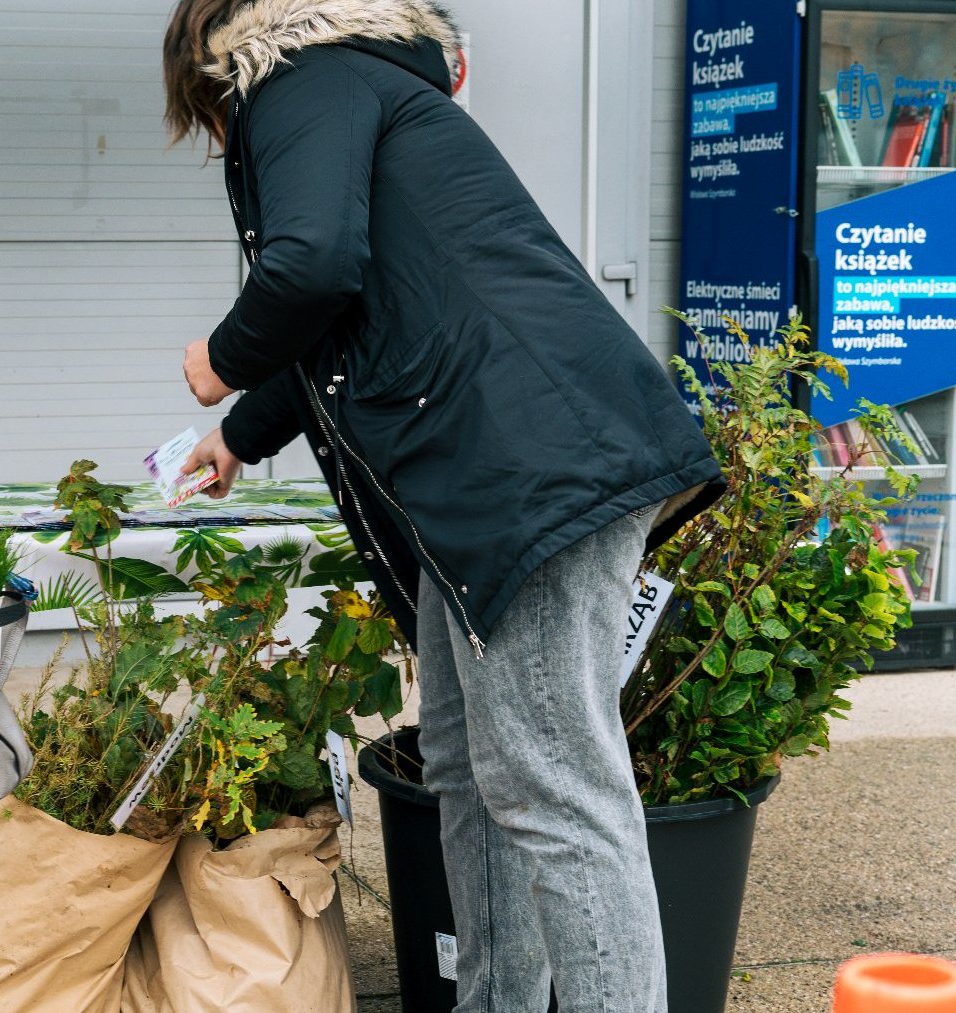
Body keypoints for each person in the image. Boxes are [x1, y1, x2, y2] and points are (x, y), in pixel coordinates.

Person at [164, 2, 726, 1010]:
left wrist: (220, 359)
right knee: (473, 770)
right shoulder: (353, 82)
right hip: (492, 477)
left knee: (556, 785)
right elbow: (351, 302)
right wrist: (242, 432)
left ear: (213, 76)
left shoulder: (302, 77)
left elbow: (312, 263)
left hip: (529, 469)